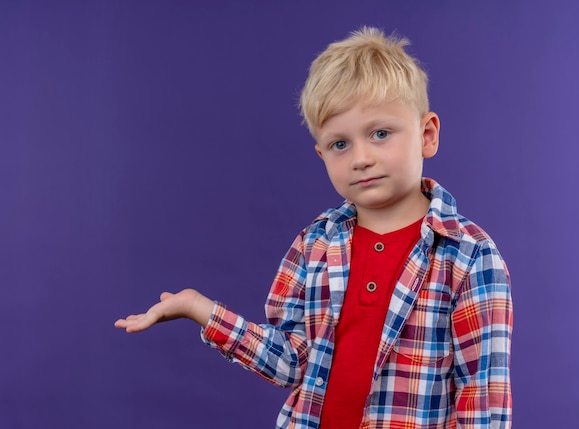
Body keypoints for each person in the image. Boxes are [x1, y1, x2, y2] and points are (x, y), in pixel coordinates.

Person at [115, 27, 513, 429]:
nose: (361, 158)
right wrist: (201, 309)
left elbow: (483, 402)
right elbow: (291, 364)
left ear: (426, 135)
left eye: (380, 134)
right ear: (321, 154)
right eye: (340, 144)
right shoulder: (315, 243)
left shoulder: (469, 256)